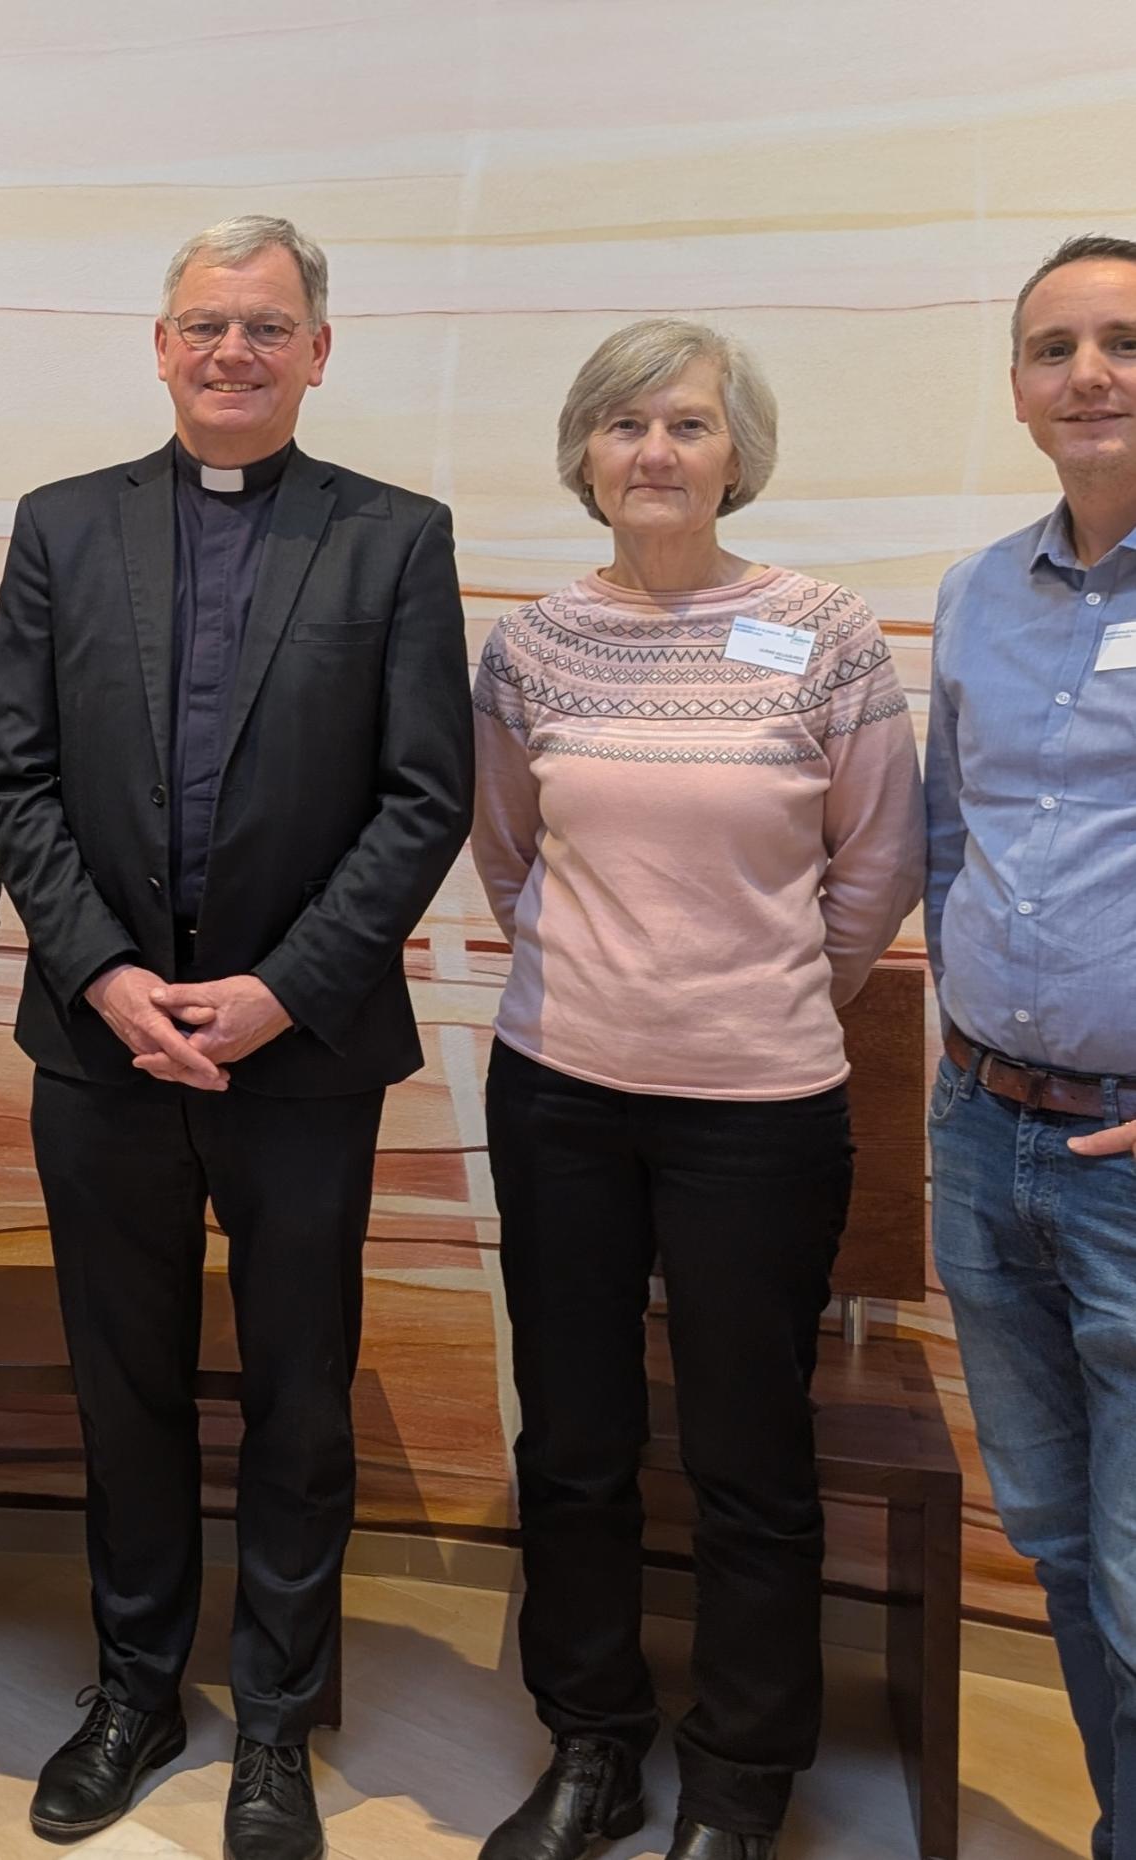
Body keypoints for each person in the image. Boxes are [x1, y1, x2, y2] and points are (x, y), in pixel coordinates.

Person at [0, 214, 473, 1857]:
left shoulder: (395, 538)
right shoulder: (61, 528)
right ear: (160, 343)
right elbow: (17, 778)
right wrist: (109, 975)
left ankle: (273, 1717)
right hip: (96, 1047)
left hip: (303, 1056)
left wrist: (277, 991)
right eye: (204, 324)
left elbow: (422, 798)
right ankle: (131, 1688)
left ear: (318, 350)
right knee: (120, 1392)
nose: (232, 352)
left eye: (266, 327)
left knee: (299, 1396)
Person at [469, 319, 922, 1860]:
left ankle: (738, 1783)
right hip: (559, 1096)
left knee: (744, 1453)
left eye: (683, 425)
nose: (651, 452)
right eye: (621, 426)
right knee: (576, 1443)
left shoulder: (825, 633)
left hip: (760, 1112)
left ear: (738, 454)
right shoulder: (529, 645)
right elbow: (510, 855)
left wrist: (757, 993)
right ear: (582, 455)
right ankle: (590, 1742)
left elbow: (875, 868)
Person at [926, 231, 1136, 1860]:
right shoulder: (976, 593)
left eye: (1125, 341)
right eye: (1056, 347)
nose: (1091, 374)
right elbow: (952, 836)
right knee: (1056, 1540)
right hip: (981, 1130)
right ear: (1014, 388)